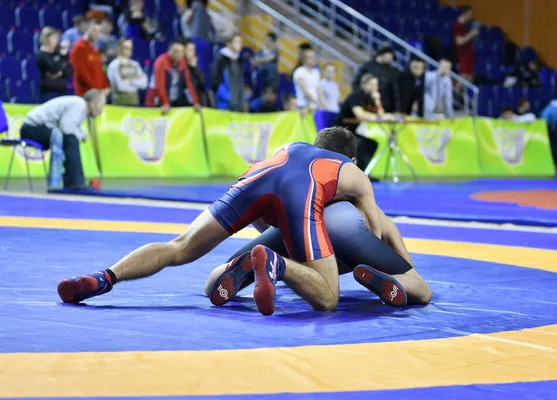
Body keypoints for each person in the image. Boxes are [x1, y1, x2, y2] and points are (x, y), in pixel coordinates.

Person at [57, 127, 405, 316]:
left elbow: (262, 224)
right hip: (302, 194)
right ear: (353, 158)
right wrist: (326, 264)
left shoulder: (292, 146)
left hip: (258, 176)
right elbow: (369, 234)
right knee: (328, 299)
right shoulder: (354, 174)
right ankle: (275, 266)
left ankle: (104, 278)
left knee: (180, 246)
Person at [205, 201, 432, 306]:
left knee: (215, 280)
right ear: (351, 161)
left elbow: (261, 217)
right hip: (348, 234)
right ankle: (390, 280)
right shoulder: (359, 192)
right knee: (420, 289)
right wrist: (404, 275)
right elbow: (403, 258)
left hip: (299, 223)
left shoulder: (306, 185)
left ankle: (277, 263)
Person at [19, 90, 106, 190]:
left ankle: (73, 181)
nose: (102, 109)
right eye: (101, 105)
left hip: (38, 129)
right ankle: (74, 182)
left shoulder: (81, 108)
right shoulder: (79, 104)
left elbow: (69, 127)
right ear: (92, 102)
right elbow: (66, 127)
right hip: (31, 129)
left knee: (70, 139)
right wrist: (81, 135)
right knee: (70, 139)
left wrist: (80, 134)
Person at [335, 74, 395, 171]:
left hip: (352, 131)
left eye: (376, 85)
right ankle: (358, 173)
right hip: (340, 130)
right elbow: (360, 114)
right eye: (371, 85)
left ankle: (364, 172)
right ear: (363, 85)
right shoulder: (355, 96)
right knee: (361, 144)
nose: (374, 88)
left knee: (372, 144)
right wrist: (379, 117)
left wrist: (377, 100)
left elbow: (381, 115)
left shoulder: (371, 99)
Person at [147, 41, 201, 114]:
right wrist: (165, 103)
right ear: (169, 51)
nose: (179, 54)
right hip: (156, 103)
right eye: (175, 51)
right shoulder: (161, 62)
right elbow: (159, 86)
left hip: (174, 101)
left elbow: (188, 85)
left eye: (181, 52)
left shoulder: (182, 63)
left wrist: (195, 102)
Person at [352, 43, 402, 116]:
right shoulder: (367, 66)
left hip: (384, 105)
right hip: (367, 104)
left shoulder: (392, 70)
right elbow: (356, 83)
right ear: (382, 54)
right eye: (389, 54)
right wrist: (360, 98)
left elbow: (395, 91)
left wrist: (397, 109)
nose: (390, 57)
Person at [69, 20, 111, 97]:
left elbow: (99, 70)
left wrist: (105, 86)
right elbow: (81, 72)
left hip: (98, 93)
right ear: (87, 30)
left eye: (99, 31)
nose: (97, 34)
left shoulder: (94, 49)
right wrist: (95, 89)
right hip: (85, 93)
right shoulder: (79, 48)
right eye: (94, 31)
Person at [107, 38, 149, 106]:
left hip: (135, 103)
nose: (129, 50)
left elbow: (144, 83)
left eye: (130, 48)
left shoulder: (135, 64)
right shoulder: (114, 66)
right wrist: (136, 84)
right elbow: (120, 86)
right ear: (119, 48)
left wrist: (130, 81)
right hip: (119, 105)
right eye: (126, 48)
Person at [37, 27, 73, 103]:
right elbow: (54, 69)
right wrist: (62, 57)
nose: (56, 41)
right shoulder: (41, 55)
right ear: (46, 39)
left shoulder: (58, 54)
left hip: (62, 91)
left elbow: (70, 70)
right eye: (54, 38)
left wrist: (61, 72)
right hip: (49, 93)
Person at [212, 32, 246, 112]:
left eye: (240, 42)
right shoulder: (221, 59)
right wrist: (227, 98)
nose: (240, 45)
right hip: (225, 103)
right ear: (228, 44)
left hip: (239, 102)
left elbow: (241, 81)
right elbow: (216, 81)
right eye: (237, 42)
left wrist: (243, 100)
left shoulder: (240, 60)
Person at [183, 39, 213, 107]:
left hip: (201, 104)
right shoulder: (181, 69)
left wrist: (195, 69)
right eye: (189, 50)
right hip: (189, 107)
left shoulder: (196, 67)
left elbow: (203, 84)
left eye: (193, 50)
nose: (192, 53)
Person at [452, 6, 478, 83]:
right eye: (470, 13)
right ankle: (456, 94)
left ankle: (468, 94)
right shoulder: (457, 25)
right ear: (464, 14)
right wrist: (471, 34)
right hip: (462, 55)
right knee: (463, 76)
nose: (471, 15)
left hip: (468, 54)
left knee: (470, 76)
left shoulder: (466, 25)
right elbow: (459, 41)